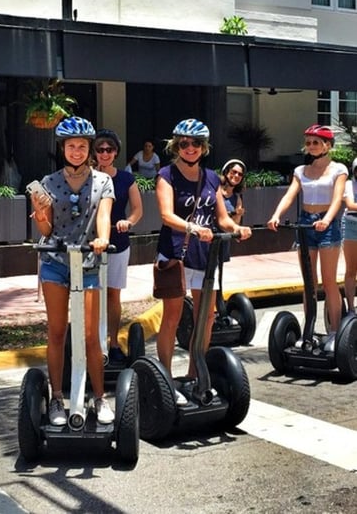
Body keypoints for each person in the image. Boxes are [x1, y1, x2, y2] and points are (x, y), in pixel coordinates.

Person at [155, 118, 252, 403]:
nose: (190, 148)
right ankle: (165, 378)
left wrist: (236, 228)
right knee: (172, 317)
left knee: (206, 316)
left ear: (204, 147)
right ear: (176, 145)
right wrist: (192, 228)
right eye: (184, 143)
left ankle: (195, 374)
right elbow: (166, 215)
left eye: (196, 143)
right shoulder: (166, 174)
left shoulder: (211, 177)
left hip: (204, 254)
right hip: (175, 252)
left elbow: (221, 217)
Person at [30, 116, 115, 426]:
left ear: (89, 149)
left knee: (91, 335)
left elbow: (104, 214)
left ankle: (99, 396)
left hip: (89, 263)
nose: (76, 151)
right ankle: (56, 398)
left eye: (82, 146)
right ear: (62, 149)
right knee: (56, 331)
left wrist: (103, 238)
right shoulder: (49, 182)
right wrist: (39, 213)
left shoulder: (103, 181)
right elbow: (46, 227)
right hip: (56, 261)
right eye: (71, 146)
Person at [267, 124, 348, 351]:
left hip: (327, 224)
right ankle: (309, 331)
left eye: (316, 142)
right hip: (305, 222)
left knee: (329, 281)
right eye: (309, 142)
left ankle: (334, 333)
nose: (311, 146)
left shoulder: (338, 170)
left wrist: (327, 220)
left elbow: (337, 199)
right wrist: (276, 215)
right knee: (309, 283)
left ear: (327, 145)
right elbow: (290, 195)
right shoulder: (301, 171)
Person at [94, 129, 143, 363]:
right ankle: (94, 344)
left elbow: (137, 209)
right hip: (91, 245)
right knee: (91, 296)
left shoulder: (125, 178)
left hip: (118, 243)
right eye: (100, 149)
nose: (105, 153)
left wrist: (128, 221)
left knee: (113, 294)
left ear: (116, 153)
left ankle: (113, 344)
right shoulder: (87, 177)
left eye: (109, 150)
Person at [219, 158, 247, 262]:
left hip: (224, 239)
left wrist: (238, 214)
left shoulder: (237, 197)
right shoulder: (215, 190)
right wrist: (233, 213)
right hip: (210, 237)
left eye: (240, 174)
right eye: (233, 172)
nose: (236, 176)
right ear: (226, 172)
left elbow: (236, 223)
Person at [342, 157, 357, 315]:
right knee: (351, 269)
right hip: (352, 225)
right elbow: (351, 205)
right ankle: (351, 308)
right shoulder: (349, 184)